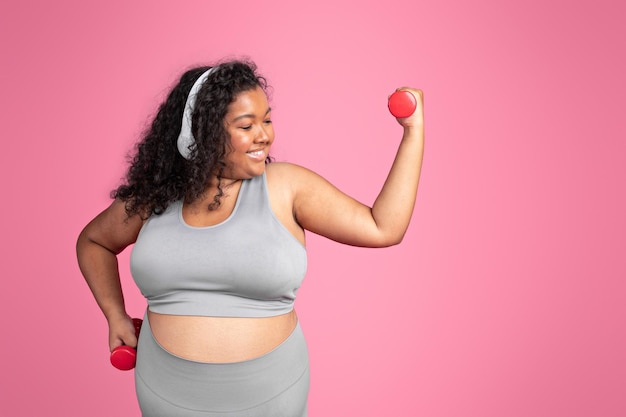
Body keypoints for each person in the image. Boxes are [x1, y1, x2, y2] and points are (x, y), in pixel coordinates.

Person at [76, 59, 424, 416]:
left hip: (269, 393)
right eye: (247, 125)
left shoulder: (287, 186)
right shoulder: (156, 198)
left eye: (267, 120)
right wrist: (115, 316)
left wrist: (413, 131)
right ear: (203, 132)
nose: (265, 136)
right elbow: (94, 242)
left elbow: (383, 227)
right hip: (166, 391)